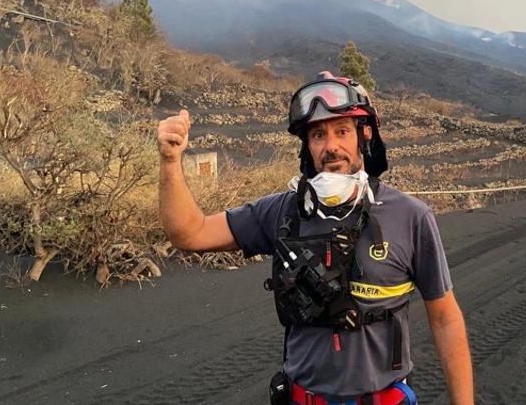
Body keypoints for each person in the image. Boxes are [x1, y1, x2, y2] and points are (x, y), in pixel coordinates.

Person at [157, 71, 474, 405]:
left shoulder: (410, 216)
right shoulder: (281, 212)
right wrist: (169, 161)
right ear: (307, 146)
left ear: (364, 136)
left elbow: (445, 318)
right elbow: (190, 233)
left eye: (342, 131)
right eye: (318, 135)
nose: (331, 146)